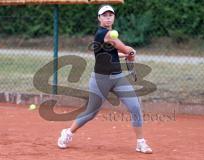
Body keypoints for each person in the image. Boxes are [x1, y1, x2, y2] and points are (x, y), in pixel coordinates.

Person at [57, 5, 152, 154]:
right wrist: (130, 51)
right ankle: (68, 133)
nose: (108, 17)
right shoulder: (104, 34)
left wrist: (126, 54)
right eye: (104, 15)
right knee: (91, 112)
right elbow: (124, 48)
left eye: (110, 15)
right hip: (100, 79)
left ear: (113, 17)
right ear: (99, 18)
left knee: (135, 107)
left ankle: (140, 142)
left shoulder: (110, 35)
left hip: (118, 78)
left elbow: (115, 52)